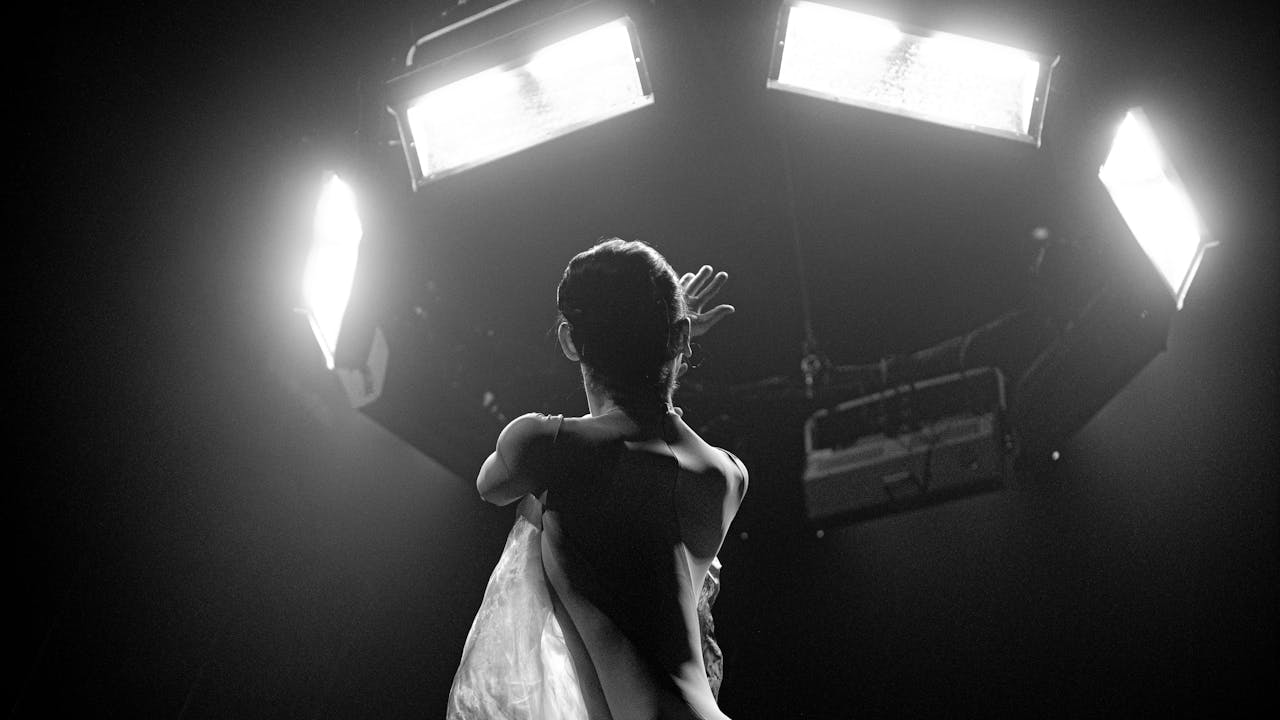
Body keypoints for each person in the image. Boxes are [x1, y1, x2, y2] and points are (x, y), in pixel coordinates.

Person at [447, 239, 747, 720]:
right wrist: (672, 342)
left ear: (570, 340)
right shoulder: (727, 474)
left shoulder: (542, 446)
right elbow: (651, 440)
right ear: (681, 337)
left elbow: (491, 486)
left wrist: (668, 340)